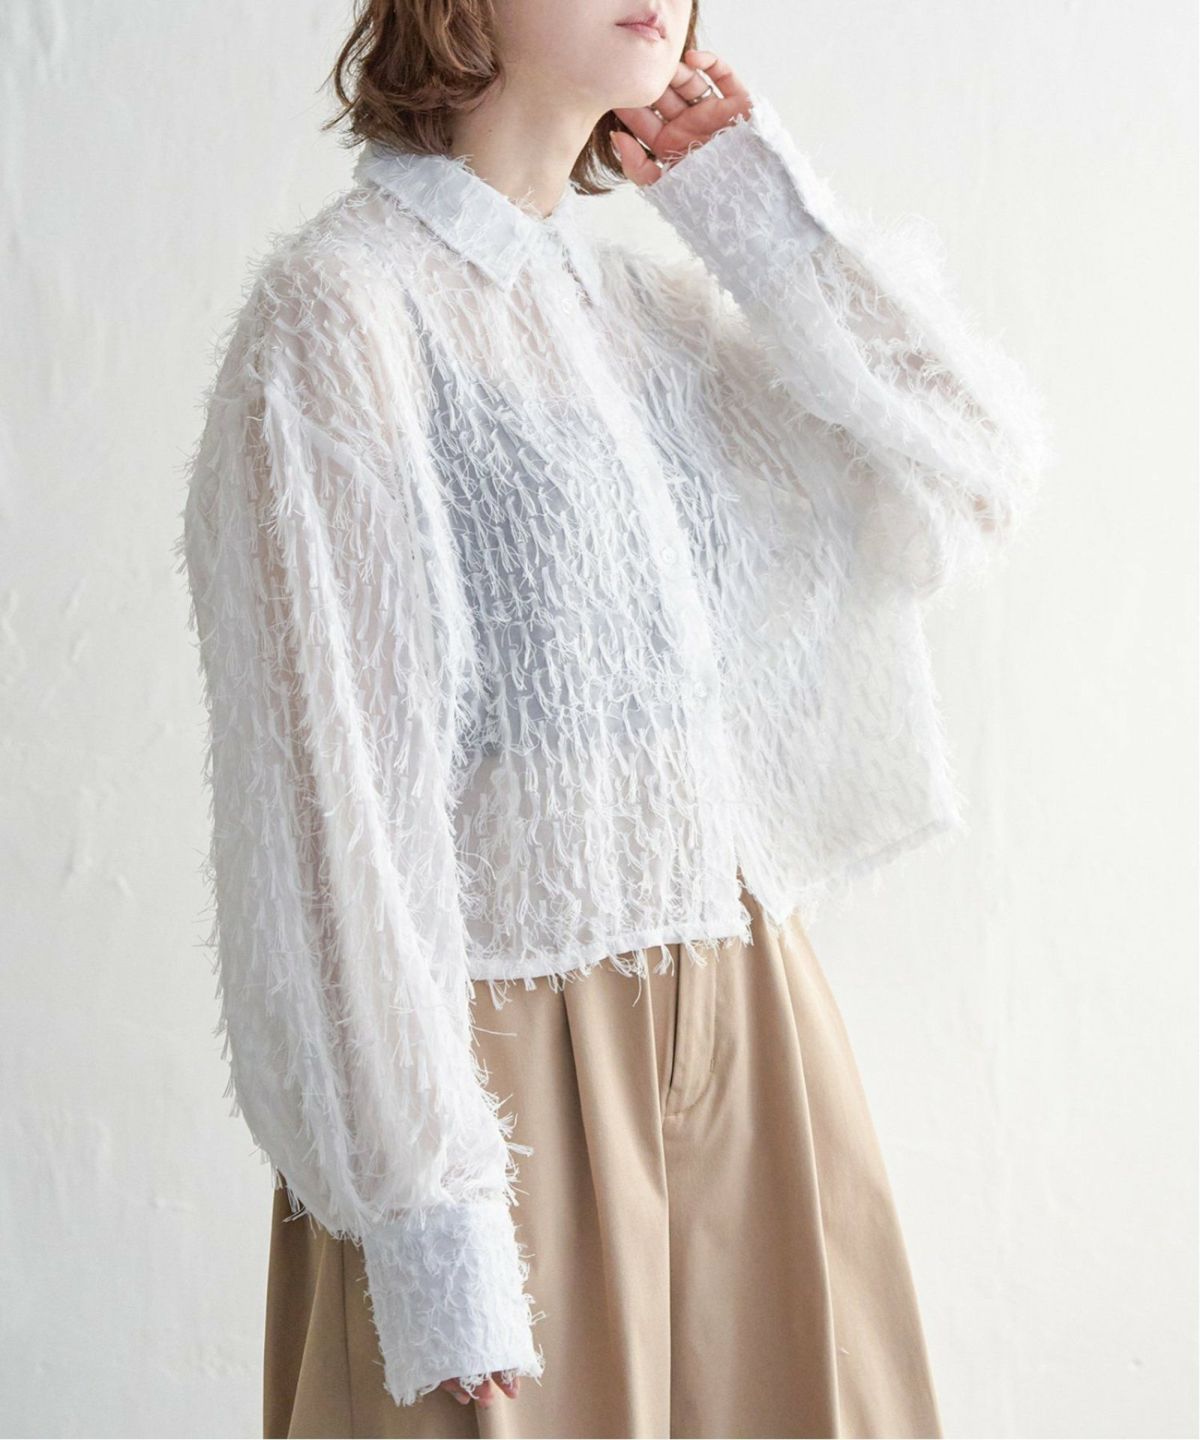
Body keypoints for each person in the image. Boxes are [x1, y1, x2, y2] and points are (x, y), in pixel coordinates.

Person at [177, 0, 1047, 1435]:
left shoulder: (644, 311)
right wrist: (429, 1216)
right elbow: (332, 812)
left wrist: (756, 211)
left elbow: (974, 472)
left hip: (753, 1023)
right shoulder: (341, 312)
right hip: (496, 1071)